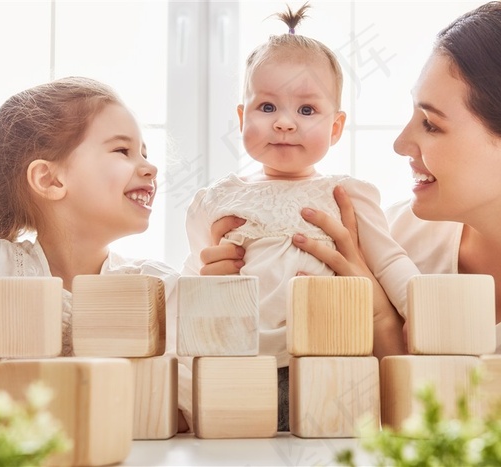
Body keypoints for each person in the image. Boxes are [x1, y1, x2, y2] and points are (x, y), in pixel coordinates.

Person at [202, 0, 501, 431]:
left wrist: (382, 322)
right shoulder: (394, 232)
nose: (401, 144)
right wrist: (221, 300)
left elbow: (467, 445)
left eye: (431, 124)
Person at [182, 4, 418, 431]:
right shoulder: (216, 201)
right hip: (244, 363)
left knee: (328, 441)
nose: (285, 124)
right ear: (241, 117)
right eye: (267, 107)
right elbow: (194, 278)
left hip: (333, 356)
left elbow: (390, 261)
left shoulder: (345, 195)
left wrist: (422, 307)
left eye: (307, 110)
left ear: (336, 127)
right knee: (238, 448)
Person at [0, 77, 190, 431]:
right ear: (50, 180)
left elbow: (189, 397)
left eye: (144, 153)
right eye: (122, 151)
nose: (149, 167)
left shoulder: (157, 285)